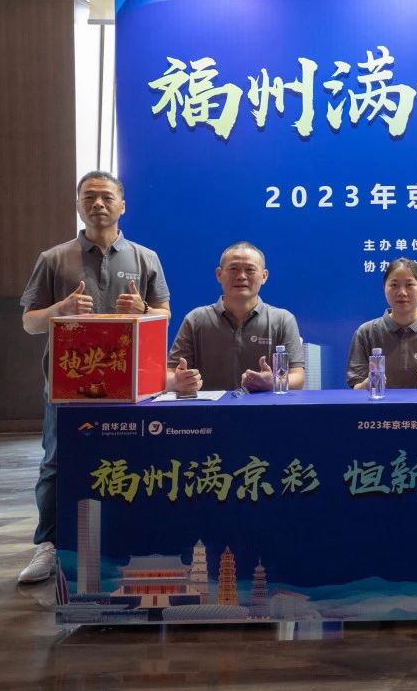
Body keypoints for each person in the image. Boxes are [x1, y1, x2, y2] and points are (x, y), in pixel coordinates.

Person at [18, 171, 171, 584]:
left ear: (123, 205)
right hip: (69, 386)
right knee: (55, 463)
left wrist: (144, 310)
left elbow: (164, 314)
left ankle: (129, 540)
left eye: (106, 197)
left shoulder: (145, 258)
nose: (98, 204)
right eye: (89, 197)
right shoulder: (54, 259)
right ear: (78, 205)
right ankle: (48, 545)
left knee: (132, 460)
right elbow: (30, 323)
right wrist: (61, 310)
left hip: (130, 388)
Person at [167, 242, 304, 394]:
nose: (241, 276)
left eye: (250, 270)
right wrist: (177, 382)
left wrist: (273, 382)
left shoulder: (283, 320)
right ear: (219, 274)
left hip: (264, 408)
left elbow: (298, 378)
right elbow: (169, 374)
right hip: (208, 409)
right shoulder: (195, 320)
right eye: (233, 269)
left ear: (264, 276)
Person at [347, 258, 417, 390]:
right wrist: (368, 384)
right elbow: (356, 386)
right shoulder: (366, 333)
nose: (402, 292)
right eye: (394, 285)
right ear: (384, 288)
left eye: (409, 285)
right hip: (379, 403)